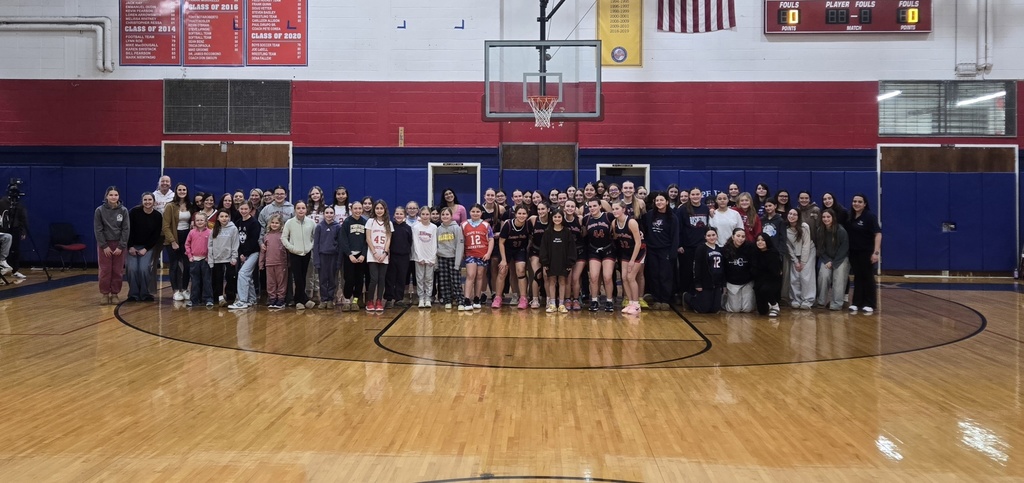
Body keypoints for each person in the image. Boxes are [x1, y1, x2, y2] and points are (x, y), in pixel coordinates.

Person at [94, 186, 130, 305]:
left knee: (117, 270)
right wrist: (104, 246)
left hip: (119, 244)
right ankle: (105, 293)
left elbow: (126, 229)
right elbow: (98, 230)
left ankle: (115, 293)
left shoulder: (123, 210)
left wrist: (121, 246)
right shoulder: (99, 210)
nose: (113, 197)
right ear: (106, 196)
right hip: (104, 244)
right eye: (111, 195)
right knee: (105, 270)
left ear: (118, 197)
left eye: (116, 195)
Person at [847, 194, 882, 314]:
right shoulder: (851, 216)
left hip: (866, 252)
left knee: (867, 276)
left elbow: (878, 234)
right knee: (857, 277)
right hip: (853, 252)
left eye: (859, 202)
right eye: (854, 201)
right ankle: (857, 302)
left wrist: (876, 252)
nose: (856, 203)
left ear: (865, 204)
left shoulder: (870, 216)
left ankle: (870, 303)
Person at [125, 192, 163, 302]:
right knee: (132, 269)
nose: (147, 202)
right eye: (145, 200)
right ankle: (133, 294)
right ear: (142, 201)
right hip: (132, 245)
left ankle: (145, 293)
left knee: (144, 269)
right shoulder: (134, 212)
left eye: (150, 200)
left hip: (147, 247)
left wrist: (146, 248)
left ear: (154, 202)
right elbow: (128, 230)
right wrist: (130, 246)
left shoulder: (157, 216)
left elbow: (156, 235)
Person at [643, 192, 678, 310]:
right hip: (652, 250)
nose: (659, 202)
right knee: (654, 275)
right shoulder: (649, 215)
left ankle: (665, 300)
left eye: (661, 200)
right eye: (657, 200)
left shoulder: (672, 217)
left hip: (666, 250)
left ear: (667, 202)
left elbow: (675, 237)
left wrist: (672, 253)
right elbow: (645, 231)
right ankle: (657, 299)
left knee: (665, 276)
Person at [492, 205, 531, 309]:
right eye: (519, 213)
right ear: (515, 214)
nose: (522, 216)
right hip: (507, 250)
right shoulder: (508, 224)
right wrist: (504, 260)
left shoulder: (528, 225)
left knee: (521, 270)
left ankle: (523, 298)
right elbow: (501, 243)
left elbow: (531, 239)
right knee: (502, 271)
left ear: (527, 215)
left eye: (524, 214)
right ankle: (498, 297)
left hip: (520, 250)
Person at [540, 209, 576, 313]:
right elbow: (544, 248)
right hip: (551, 262)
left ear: (562, 218)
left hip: (563, 261)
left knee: (562, 281)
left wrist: (570, 262)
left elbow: (571, 248)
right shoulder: (547, 232)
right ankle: (552, 304)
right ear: (552, 218)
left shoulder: (567, 232)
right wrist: (545, 262)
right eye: (555, 217)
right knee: (551, 281)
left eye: (559, 217)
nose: (557, 219)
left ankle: (561, 304)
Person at [612, 201, 645, 315]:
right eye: (613, 209)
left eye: (617, 208)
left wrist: (632, 261)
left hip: (638, 251)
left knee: (631, 277)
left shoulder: (631, 222)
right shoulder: (614, 223)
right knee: (624, 277)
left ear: (623, 209)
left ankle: (636, 305)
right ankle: (630, 303)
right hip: (625, 251)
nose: (615, 211)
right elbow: (616, 238)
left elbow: (638, 243)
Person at [282, 201, 316, 310]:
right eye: (298, 208)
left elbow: (315, 237)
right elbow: (283, 238)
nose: (301, 210)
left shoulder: (311, 222)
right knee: (297, 278)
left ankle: (302, 298)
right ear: (295, 210)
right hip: (294, 254)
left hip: (306, 253)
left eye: (303, 208)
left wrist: (310, 246)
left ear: (306, 209)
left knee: (303, 276)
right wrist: (291, 248)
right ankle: (300, 300)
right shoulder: (289, 222)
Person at [583, 199, 616, 313]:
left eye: (594, 206)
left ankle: (609, 300)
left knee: (607, 277)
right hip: (593, 250)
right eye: (590, 206)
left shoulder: (608, 216)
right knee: (593, 276)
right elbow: (583, 233)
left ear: (600, 206)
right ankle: (594, 300)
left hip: (608, 249)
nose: (592, 208)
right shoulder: (586, 219)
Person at [460, 204, 493, 310]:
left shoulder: (486, 225)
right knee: (470, 275)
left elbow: (491, 239)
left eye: (477, 212)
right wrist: (462, 253)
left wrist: (488, 253)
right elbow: (461, 241)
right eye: (473, 211)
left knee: (480, 276)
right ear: (470, 212)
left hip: (482, 254)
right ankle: (466, 299)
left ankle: (477, 298)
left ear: (481, 213)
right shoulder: (464, 224)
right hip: (470, 253)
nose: (475, 213)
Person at [163, 183, 193, 301]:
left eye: (184, 189)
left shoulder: (190, 205)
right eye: (179, 189)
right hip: (173, 237)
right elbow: (165, 226)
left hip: (187, 237)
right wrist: (172, 241)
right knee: (174, 265)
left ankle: (185, 289)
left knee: (187, 265)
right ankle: (176, 291)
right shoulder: (170, 206)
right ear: (176, 191)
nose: (182, 191)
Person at [677, 187, 710, 297]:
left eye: (697, 194)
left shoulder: (706, 209)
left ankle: (699, 295)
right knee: (686, 272)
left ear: (701, 195)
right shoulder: (682, 209)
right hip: (687, 246)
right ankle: (685, 294)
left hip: (701, 246)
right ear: (689, 196)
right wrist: (679, 244)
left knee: (701, 271)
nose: (695, 196)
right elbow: (678, 228)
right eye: (693, 194)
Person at [229, 202, 261, 310]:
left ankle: (242, 300)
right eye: (241, 209)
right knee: (248, 276)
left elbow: (253, 240)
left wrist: (246, 254)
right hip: (242, 253)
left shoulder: (254, 223)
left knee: (242, 273)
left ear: (250, 209)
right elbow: (237, 241)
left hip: (253, 253)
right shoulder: (237, 223)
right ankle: (252, 299)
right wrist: (241, 254)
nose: (243, 211)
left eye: (246, 209)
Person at [815, 209, 850, 310]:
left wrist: (834, 263)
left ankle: (837, 303)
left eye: (828, 217)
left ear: (833, 218)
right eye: (824, 217)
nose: (826, 219)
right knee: (823, 276)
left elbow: (844, 248)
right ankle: (821, 301)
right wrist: (827, 261)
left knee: (838, 278)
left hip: (841, 258)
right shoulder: (820, 230)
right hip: (827, 259)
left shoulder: (841, 231)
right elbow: (820, 248)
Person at [684, 227, 724, 314]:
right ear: (705, 237)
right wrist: (697, 283)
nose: (711, 237)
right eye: (709, 235)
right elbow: (697, 267)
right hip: (705, 283)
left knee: (715, 309)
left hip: (717, 283)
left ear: (717, 236)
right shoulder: (701, 248)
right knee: (703, 309)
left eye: (713, 235)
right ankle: (687, 297)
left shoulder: (720, 249)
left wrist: (722, 284)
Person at [365, 200, 393, 312]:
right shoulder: (370, 221)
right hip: (373, 254)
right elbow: (368, 238)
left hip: (384, 254)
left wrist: (385, 253)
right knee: (374, 279)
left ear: (385, 210)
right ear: (374, 209)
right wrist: (375, 253)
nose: (379, 210)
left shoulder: (388, 223)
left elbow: (389, 239)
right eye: (377, 208)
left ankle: (379, 301)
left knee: (382, 279)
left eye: (381, 208)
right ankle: (370, 300)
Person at [339, 201, 367, 311]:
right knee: (349, 278)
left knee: (359, 279)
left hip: (361, 256)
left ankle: (355, 300)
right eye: (355, 208)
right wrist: (349, 254)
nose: (358, 211)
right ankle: (346, 300)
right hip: (349, 256)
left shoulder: (365, 222)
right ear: (351, 209)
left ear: (362, 209)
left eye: (360, 208)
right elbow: (343, 240)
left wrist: (363, 254)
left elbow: (367, 241)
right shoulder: (346, 222)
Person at [785, 208, 816, 310]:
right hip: (795, 254)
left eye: (794, 214)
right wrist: (795, 260)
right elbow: (788, 246)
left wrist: (802, 262)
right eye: (790, 213)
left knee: (806, 277)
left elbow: (806, 245)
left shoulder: (804, 226)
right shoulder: (785, 228)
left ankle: (808, 300)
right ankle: (795, 299)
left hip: (808, 252)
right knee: (794, 277)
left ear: (798, 217)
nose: (792, 216)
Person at [208, 209, 239, 306]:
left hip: (229, 258)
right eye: (222, 216)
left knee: (230, 277)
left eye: (226, 216)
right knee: (218, 278)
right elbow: (210, 245)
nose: (224, 218)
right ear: (217, 218)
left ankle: (233, 296)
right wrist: (211, 259)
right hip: (217, 258)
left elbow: (235, 243)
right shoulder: (214, 229)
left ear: (229, 217)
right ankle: (220, 297)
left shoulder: (233, 228)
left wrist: (234, 257)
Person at [312, 206, 341, 309]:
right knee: (323, 279)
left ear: (334, 214)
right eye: (327, 213)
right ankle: (323, 299)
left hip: (334, 256)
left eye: (331, 213)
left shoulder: (338, 227)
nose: (329, 215)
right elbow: (316, 245)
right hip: (322, 256)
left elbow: (340, 245)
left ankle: (330, 299)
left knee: (333, 279)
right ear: (323, 214)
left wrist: (338, 261)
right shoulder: (319, 227)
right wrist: (316, 260)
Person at [385, 206, 413, 308]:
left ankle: (399, 298)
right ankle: (389, 298)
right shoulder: (390, 227)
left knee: (401, 278)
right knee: (390, 278)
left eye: (401, 214)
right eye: (397, 214)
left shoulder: (408, 228)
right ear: (393, 215)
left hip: (404, 257)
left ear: (405, 216)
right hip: (392, 256)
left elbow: (410, 242)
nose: (399, 216)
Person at [436, 207, 464, 309]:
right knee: (444, 281)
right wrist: (436, 262)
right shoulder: (438, 229)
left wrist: (457, 262)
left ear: (451, 216)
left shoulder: (456, 228)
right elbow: (436, 245)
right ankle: (447, 300)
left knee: (455, 281)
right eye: (443, 214)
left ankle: (460, 300)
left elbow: (460, 245)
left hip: (453, 258)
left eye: (447, 214)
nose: (445, 216)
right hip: (442, 258)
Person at [723, 228, 756, 313]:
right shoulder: (725, 250)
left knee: (747, 309)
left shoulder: (750, 247)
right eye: (738, 236)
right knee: (735, 310)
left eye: (743, 236)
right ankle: (724, 301)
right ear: (733, 237)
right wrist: (724, 285)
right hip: (732, 282)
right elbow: (723, 269)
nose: (740, 239)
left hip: (747, 282)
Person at [185, 212, 213, 308]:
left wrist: (208, 257)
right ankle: (194, 300)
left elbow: (212, 246)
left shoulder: (210, 232)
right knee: (195, 281)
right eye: (197, 220)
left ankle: (208, 299)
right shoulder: (192, 232)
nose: (199, 222)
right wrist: (190, 256)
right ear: (195, 222)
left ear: (206, 221)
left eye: (202, 220)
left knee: (207, 281)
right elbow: (187, 245)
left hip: (205, 260)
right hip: (194, 260)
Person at [562, 200, 586, 311]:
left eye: (572, 206)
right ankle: (567, 299)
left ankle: (576, 299)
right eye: (568, 206)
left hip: (579, 251)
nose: (570, 208)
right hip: (566, 253)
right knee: (568, 278)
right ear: (564, 207)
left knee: (576, 278)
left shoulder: (580, 220)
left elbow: (584, 234)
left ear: (575, 208)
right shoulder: (560, 219)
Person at [260, 213, 288, 309]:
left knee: (281, 282)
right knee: (270, 282)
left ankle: (281, 299)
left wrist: (288, 262)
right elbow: (263, 251)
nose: (274, 224)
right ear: (269, 223)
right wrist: (261, 263)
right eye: (273, 222)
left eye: (277, 223)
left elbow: (287, 250)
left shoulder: (283, 236)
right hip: (269, 263)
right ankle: (272, 298)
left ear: (281, 224)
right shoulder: (266, 236)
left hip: (281, 263)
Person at [412, 207, 438, 308]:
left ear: (430, 215)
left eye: (427, 214)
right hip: (419, 257)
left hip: (430, 256)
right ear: (420, 215)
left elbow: (434, 243)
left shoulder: (434, 227)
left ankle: (428, 298)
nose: (425, 216)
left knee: (429, 278)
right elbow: (416, 243)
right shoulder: (416, 227)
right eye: (423, 214)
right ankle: (421, 298)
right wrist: (419, 257)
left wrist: (433, 258)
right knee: (419, 278)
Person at [752, 233, 783, 317]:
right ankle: (768, 304)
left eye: (762, 240)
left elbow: (776, 272)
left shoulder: (773, 253)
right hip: (759, 281)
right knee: (762, 311)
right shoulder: (755, 253)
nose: (760, 242)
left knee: (765, 289)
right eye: (758, 240)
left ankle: (775, 306)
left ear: (767, 241)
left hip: (772, 280)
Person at [526, 201, 551, 308]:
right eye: (539, 209)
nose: (540, 211)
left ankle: (550, 300)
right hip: (535, 251)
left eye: (543, 209)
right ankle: (535, 299)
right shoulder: (533, 219)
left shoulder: (553, 220)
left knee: (546, 276)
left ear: (548, 210)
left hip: (550, 252)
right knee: (537, 275)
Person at [0, 193, 29, 279]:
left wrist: (23, 231)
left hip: (15, 229)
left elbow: (23, 218)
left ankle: (14, 270)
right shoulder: (1, 203)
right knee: (7, 243)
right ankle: (3, 267)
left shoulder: (19, 206)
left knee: (15, 249)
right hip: (3, 229)